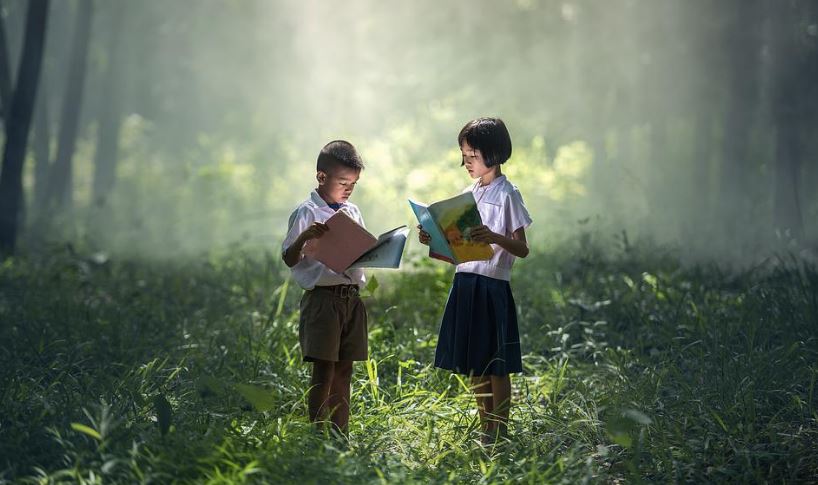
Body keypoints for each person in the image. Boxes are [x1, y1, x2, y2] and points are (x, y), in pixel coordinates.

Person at [418, 117, 532, 445]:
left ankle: (502, 430)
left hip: (492, 284)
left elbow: (522, 248)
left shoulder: (508, 193)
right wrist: (434, 238)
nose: (464, 162)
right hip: (466, 281)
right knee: (476, 362)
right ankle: (486, 429)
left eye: (471, 156)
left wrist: (494, 236)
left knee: (497, 363)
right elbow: (456, 246)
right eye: (463, 156)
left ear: (492, 153)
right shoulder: (470, 193)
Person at [281, 140, 368, 437]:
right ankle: (319, 434)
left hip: (351, 299)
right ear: (321, 176)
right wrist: (305, 237)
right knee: (324, 371)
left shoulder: (352, 211)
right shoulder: (306, 212)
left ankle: (340, 433)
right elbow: (288, 258)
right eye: (343, 181)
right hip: (323, 300)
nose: (348, 189)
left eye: (353, 183)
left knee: (345, 369)